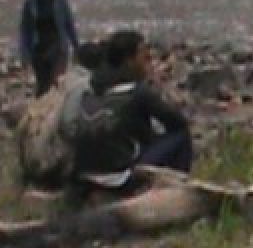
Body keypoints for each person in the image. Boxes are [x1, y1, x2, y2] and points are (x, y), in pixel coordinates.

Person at [71, 30, 192, 190]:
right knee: (181, 134)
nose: (148, 63)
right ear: (130, 61)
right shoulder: (136, 92)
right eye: (145, 58)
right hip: (118, 177)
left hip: (83, 174)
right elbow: (177, 122)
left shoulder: (91, 87)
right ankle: (175, 187)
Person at [19, 0, 79, 98]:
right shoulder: (30, 4)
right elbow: (25, 31)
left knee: (57, 82)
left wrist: (77, 46)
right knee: (43, 84)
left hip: (58, 48)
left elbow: (69, 25)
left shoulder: (60, 1)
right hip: (39, 49)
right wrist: (24, 55)